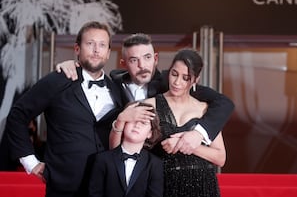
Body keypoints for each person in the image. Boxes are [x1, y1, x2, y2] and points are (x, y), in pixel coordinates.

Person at [5, 21, 125, 197]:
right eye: (90, 43)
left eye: (102, 45)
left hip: (105, 195)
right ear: (77, 49)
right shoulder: (57, 80)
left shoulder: (117, 89)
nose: (96, 49)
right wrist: (31, 162)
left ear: (109, 52)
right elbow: (17, 116)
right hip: (63, 194)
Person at [57, 33, 234, 155]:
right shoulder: (112, 84)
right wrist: (72, 65)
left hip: (159, 165)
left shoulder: (173, 82)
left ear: (156, 58)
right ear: (123, 63)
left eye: (147, 57)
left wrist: (199, 134)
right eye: (134, 60)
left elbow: (224, 103)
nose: (142, 65)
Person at [145, 48, 226, 197]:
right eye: (174, 74)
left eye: (185, 78)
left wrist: (189, 143)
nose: (177, 82)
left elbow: (220, 157)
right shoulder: (150, 105)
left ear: (195, 80)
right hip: (164, 189)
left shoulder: (204, 109)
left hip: (202, 189)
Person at [88, 102, 164, 197]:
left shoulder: (155, 164)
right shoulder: (102, 159)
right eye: (133, 119)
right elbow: (94, 196)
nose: (136, 125)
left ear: (150, 133)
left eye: (143, 122)